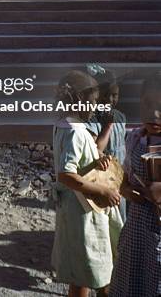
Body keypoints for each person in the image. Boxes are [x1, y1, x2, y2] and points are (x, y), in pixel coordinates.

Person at [52, 70, 123, 297]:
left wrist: (96, 161)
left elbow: (80, 159)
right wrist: (103, 189)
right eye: (93, 101)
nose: (96, 106)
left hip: (75, 208)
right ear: (78, 101)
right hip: (83, 212)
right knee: (89, 269)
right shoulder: (74, 132)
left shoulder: (63, 126)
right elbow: (66, 174)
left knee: (82, 273)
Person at [109, 72, 161, 297]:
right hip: (136, 233)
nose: (155, 114)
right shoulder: (134, 138)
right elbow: (124, 179)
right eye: (148, 104)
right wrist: (126, 190)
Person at [84, 64, 127, 221]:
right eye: (105, 95)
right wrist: (108, 126)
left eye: (114, 95)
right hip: (101, 175)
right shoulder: (92, 120)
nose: (109, 100)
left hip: (119, 173)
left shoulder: (121, 117)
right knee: (104, 214)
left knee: (120, 213)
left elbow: (123, 145)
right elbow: (96, 149)